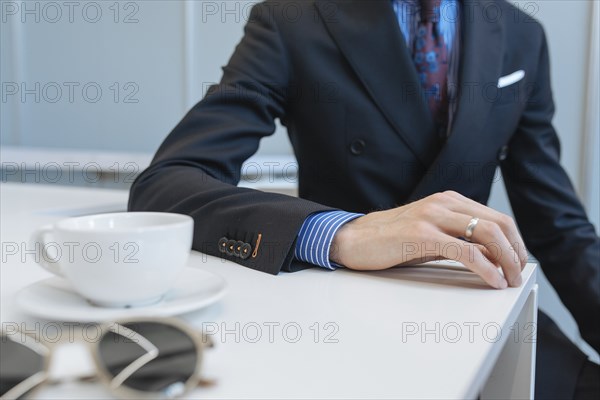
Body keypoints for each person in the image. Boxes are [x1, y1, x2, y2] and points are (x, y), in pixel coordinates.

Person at [129, 0, 599, 397]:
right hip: (337, 317)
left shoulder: (521, 34)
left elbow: (557, 224)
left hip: (481, 310)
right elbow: (167, 185)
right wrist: (341, 232)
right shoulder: (293, 17)